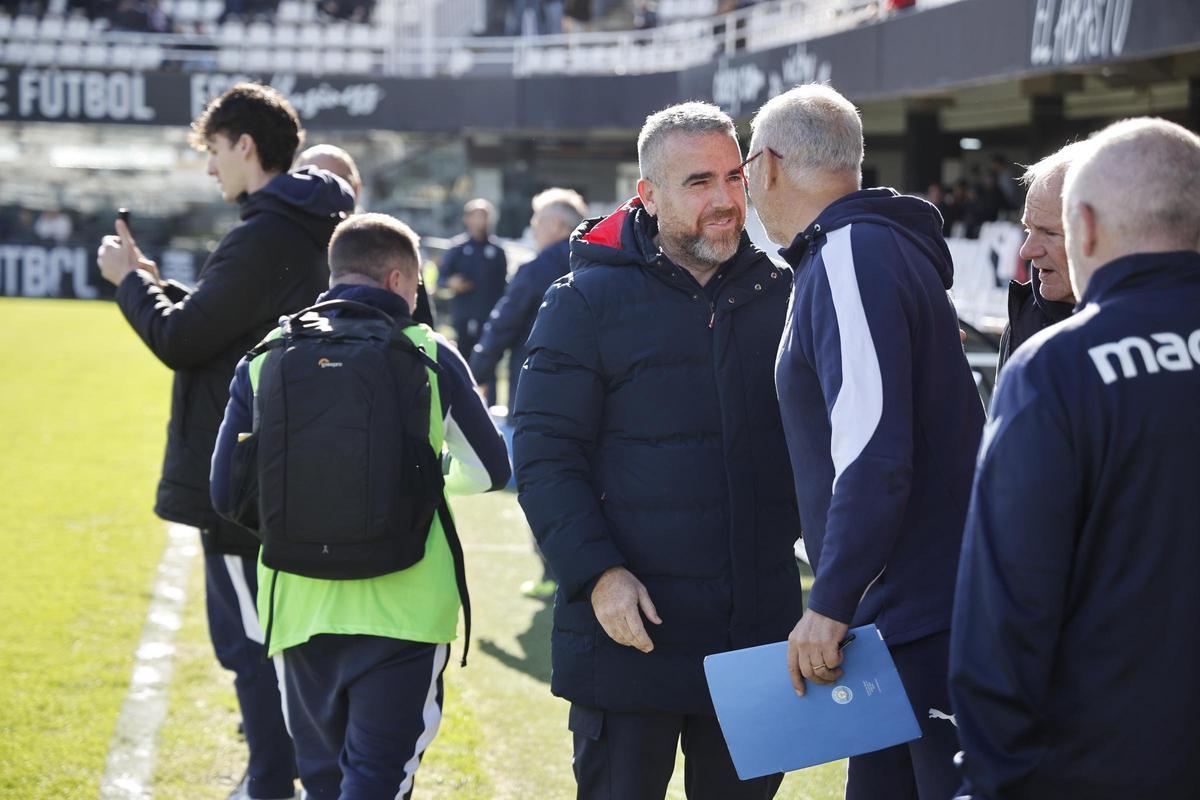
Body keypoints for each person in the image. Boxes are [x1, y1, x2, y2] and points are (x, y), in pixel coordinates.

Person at [513, 102, 801, 799]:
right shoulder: (583, 302)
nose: (725, 200)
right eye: (699, 182)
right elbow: (545, 455)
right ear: (648, 194)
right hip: (628, 635)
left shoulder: (785, 295)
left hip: (756, 636)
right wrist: (598, 574)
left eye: (733, 177)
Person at [97, 83, 355, 800]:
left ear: (246, 146)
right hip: (293, 464)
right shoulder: (309, 222)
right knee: (281, 640)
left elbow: (183, 341)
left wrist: (128, 284)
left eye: (214, 151)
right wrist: (160, 286)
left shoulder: (265, 231)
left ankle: (269, 781)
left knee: (251, 644)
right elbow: (231, 325)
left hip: (245, 478)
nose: (210, 167)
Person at [211, 213, 511, 800]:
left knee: (323, 783)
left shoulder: (267, 353)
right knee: (376, 783)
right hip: (405, 610)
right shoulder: (428, 352)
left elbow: (226, 492)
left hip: (299, 606)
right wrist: (424, 479)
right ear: (399, 279)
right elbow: (490, 470)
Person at [743, 84, 984, 800]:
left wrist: (832, 602)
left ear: (768, 165)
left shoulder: (851, 252)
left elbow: (874, 454)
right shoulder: (850, 251)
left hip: (917, 616)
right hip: (903, 613)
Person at [949, 117, 1200, 799]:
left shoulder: (1057, 369)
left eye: (1049, 231)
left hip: (1104, 766)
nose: (1029, 251)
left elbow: (1006, 607)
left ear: (1084, 225)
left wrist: (993, 780)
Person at [470, 187, 585, 600]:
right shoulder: (603, 263)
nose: (533, 228)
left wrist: (474, 376)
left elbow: (503, 324)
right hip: (596, 400)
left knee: (542, 485)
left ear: (557, 225)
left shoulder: (537, 269)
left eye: (537, 221)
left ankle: (555, 572)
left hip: (539, 400)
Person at [294, 143, 436, 327]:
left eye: (336, 181)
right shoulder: (279, 244)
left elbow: (421, 326)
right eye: (311, 181)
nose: (324, 190)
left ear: (356, 188)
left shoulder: (388, 242)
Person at [995, 142, 1086, 373]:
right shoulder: (1023, 319)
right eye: (1028, 230)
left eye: (1050, 233)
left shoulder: (1157, 327)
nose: (1026, 251)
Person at [437, 199, 507, 371]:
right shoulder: (457, 248)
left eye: (485, 216)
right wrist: (452, 283)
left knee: (488, 365)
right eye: (477, 216)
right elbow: (441, 279)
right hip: (463, 315)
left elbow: (504, 286)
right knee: (462, 362)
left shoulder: (497, 250)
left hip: (489, 317)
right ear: (467, 219)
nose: (482, 220)